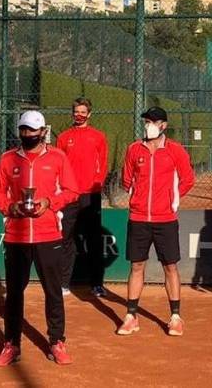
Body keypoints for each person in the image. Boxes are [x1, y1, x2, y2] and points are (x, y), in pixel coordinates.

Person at [0, 110, 79, 366]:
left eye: (32, 130)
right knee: (14, 294)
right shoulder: (8, 159)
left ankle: (57, 342)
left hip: (48, 234)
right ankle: (11, 344)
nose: (27, 134)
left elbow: (72, 190)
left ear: (43, 132)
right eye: (23, 129)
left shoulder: (58, 157)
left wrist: (50, 202)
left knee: (53, 291)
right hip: (16, 236)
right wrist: (10, 207)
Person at [117, 107, 195, 337]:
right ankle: (131, 316)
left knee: (170, 267)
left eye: (153, 121)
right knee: (137, 266)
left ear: (163, 125)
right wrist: (137, 199)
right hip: (139, 218)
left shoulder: (175, 150)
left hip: (166, 219)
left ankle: (175, 317)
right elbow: (126, 180)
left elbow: (188, 179)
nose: (148, 125)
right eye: (146, 121)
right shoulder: (134, 149)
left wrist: (173, 199)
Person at [56, 97, 109, 297]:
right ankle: (63, 284)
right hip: (69, 196)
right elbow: (59, 165)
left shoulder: (98, 137)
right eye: (76, 112)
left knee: (93, 240)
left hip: (90, 196)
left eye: (82, 112)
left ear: (89, 114)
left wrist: (96, 185)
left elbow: (103, 165)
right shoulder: (63, 137)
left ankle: (96, 284)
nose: (79, 115)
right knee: (66, 238)